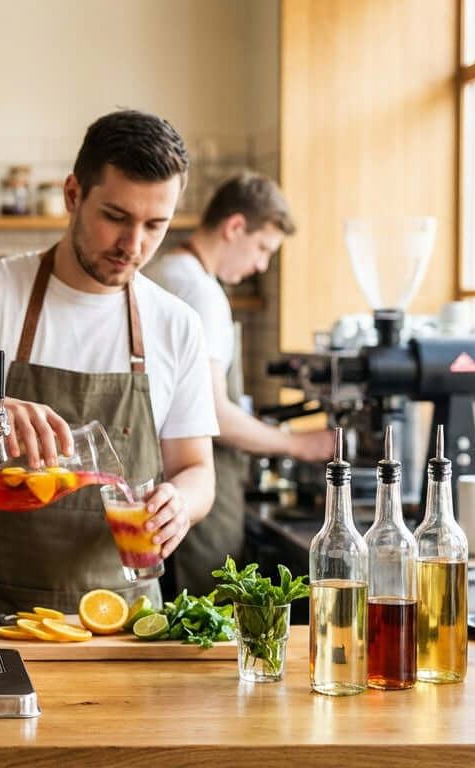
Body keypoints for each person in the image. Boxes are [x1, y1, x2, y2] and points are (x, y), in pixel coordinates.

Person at [0, 110, 218, 613]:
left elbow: (196, 468)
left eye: (155, 225)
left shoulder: (176, 324)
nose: (133, 245)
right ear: (73, 195)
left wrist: (181, 503)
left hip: (124, 621)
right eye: (116, 217)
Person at [145, 172, 335, 596]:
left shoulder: (161, 270)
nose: (261, 265)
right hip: (198, 485)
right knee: (205, 620)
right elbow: (212, 410)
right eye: (263, 248)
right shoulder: (201, 292)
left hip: (159, 479)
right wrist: (299, 444)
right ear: (234, 228)